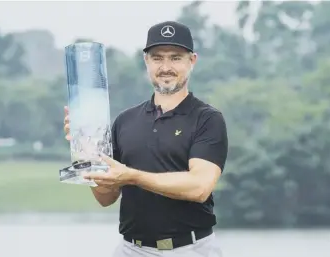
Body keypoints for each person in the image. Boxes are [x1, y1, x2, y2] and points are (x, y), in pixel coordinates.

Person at [63, 21, 228, 257]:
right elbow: (106, 197)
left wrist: (133, 176)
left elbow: (199, 187)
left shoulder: (207, 119)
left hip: (190, 249)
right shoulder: (125, 121)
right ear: (146, 61)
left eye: (175, 58)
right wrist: (87, 154)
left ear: (192, 61)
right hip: (132, 249)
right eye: (158, 58)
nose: (166, 66)